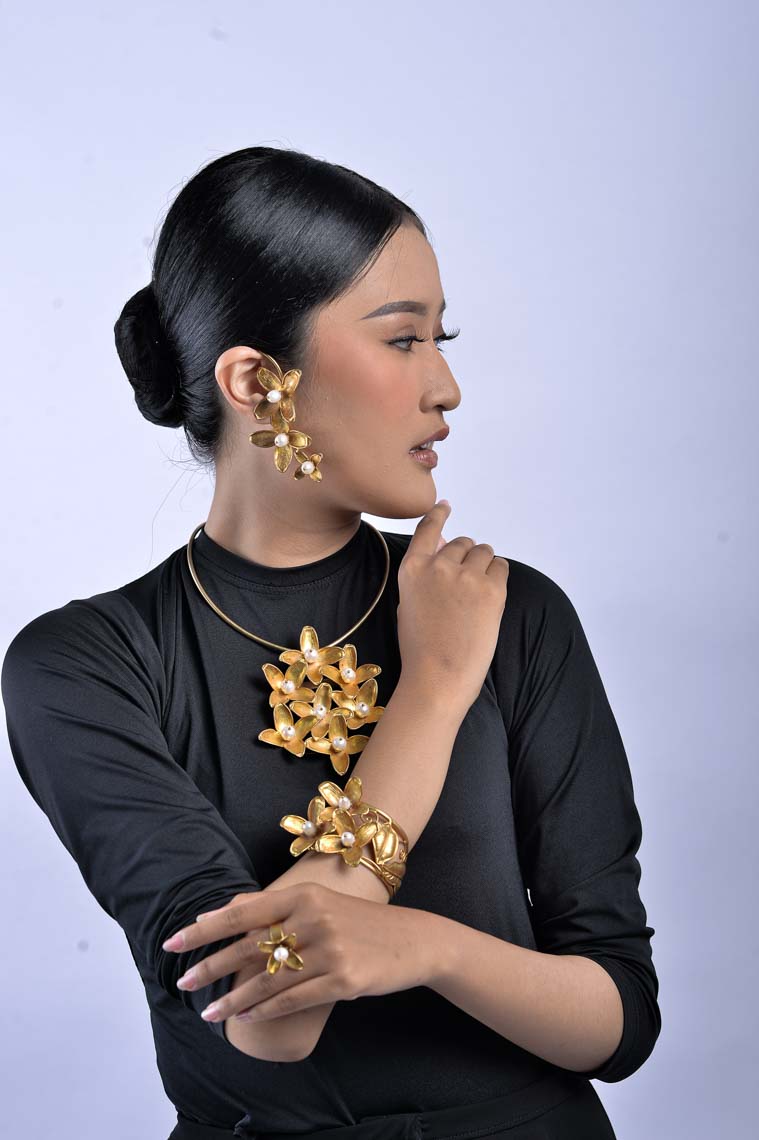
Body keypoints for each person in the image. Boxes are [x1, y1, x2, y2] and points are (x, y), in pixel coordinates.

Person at [1, 146, 660, 1139]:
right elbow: (270, 1021)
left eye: (442, 337)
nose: (447, 387)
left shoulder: (510, 611)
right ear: (258, 382)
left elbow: (619, 1023)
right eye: (403, 340)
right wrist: (431, 695)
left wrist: (430, 948)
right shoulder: (84, 666)